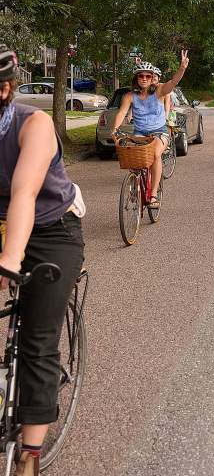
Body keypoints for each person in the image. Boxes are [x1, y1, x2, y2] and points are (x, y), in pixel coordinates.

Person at [0, 45, 85, 476]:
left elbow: (25, 194)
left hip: (52, 228)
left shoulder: (33, 123)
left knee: (36, 338)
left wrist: (10, 260)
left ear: (5, 89)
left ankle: (29, 457)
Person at [112, 51, 189, 207]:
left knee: (155, 154)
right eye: (141, 76)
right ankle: (135, 185)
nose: (145, 79)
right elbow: (121, 113)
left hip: (159, 132)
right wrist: (114, 130)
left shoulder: (160, 90)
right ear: (136, 78)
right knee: (133, 157)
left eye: (148, 76)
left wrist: (181, 68)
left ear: (152, 77)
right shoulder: (129, 96)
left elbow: (173, 83)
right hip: (139, 133)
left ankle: (153, 195)